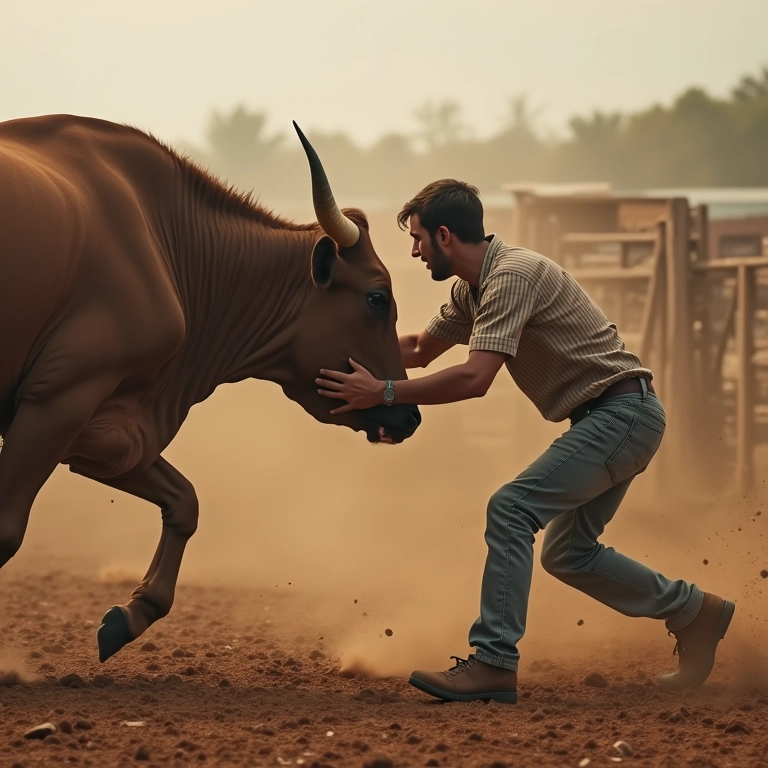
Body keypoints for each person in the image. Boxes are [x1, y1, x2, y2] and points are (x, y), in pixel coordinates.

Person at [315, 179, 734, 704]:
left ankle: (493, 662)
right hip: (614, 417)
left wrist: (385, 391)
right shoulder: (472, 288)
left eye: (419, 238)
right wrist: (329, 351)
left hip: (621, 415)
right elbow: (421, 348)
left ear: (445, 235)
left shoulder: (510, 277)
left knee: (510, 509)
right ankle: (695, 612)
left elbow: (474, 379)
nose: (415, 250)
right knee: (569, 553)